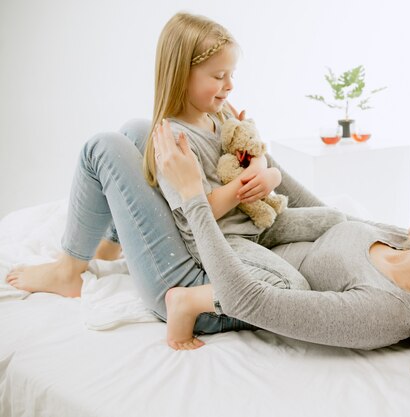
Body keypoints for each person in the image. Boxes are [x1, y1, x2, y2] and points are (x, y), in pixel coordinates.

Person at [6, 12, 345, 350]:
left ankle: (110, 243)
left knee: (134, 130)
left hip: (244, 229)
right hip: (210, 251)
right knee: (292, 290)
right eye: (219, 76)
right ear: (183, 76)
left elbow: (251, 146)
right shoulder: (174, 145)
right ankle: (71, 271)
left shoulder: (219, 113)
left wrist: (265, 171)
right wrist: (242, 189)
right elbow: (196, 208)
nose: (230, 85)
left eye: (231, 74)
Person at [154, 117, 410, 350]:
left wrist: (193, 197)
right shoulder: (404, 240)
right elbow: (320, 213)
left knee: (108, 147)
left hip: (218, 278)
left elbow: (246, 301)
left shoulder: (390, 309)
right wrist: (259, 156)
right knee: (151, 132)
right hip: (244, 236)